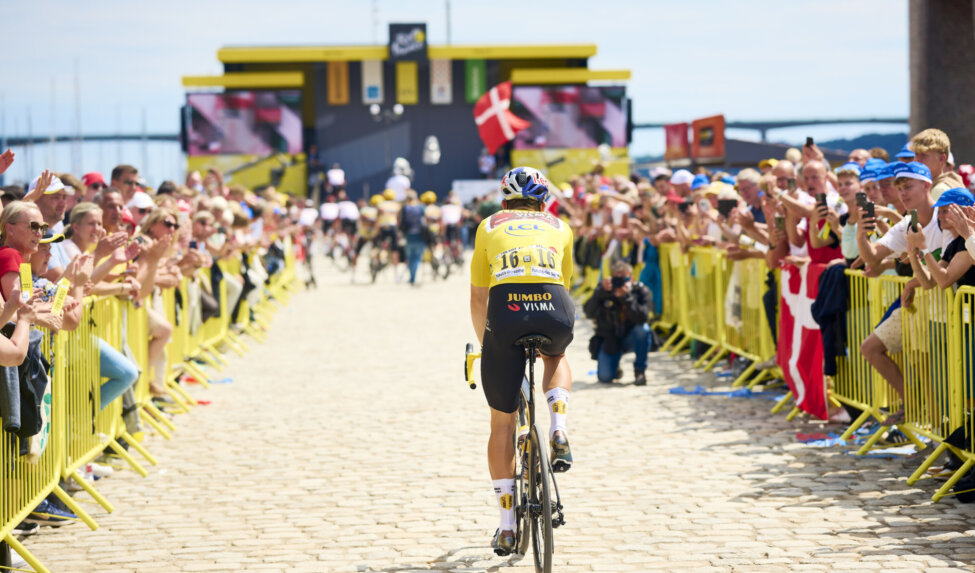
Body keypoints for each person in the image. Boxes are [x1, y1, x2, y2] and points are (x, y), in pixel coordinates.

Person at [469, 166, 575, 555]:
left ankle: (508, 525)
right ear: (544, 202)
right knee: (556, 354)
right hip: (553, 305)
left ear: (504, 202)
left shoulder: (488, 224)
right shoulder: (560, 226)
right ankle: (558, 427)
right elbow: (566, 283)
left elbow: (479, 297)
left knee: (503, 423)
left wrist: (490, 347)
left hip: (507, 311)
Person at [583, 261, 652, 386]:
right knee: (605, 377)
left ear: (631, 278)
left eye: (624, 278)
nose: (620, 282)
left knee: (644, 330)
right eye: (617, 278)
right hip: (611, 340)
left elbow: (643, 318)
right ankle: (615, 367)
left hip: (631, 338)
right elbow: (588, 312)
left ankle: (640, 371)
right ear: (611, 277)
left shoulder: (639, 290)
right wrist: (600, 293)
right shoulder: (604, 291)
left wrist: (627, 298)